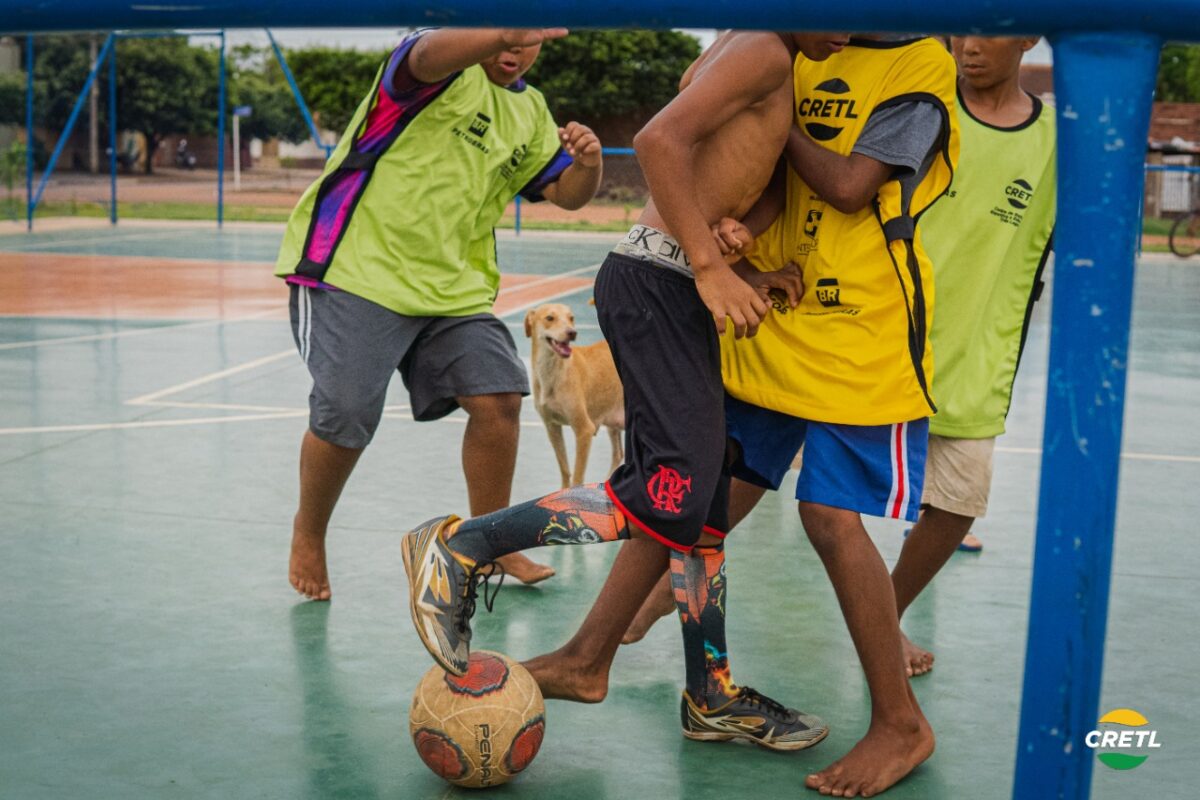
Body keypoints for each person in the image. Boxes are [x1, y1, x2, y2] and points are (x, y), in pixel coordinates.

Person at [536, 35, 960, 796]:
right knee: (699, 494)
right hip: (770, 309)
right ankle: (589, 655)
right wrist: (732, 232)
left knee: (830, 517)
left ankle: (900, 722)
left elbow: (851, 186)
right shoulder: (784, 45)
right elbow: (723, 134)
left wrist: (771, 107)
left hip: (860, 331)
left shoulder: (915, 63)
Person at [402, 31, 850, 751]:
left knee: (702, 498)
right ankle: (463, 546)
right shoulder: (764, 48)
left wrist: (731, 265)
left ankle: (710, 692)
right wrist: (708, 264)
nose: (851, 28)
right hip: (657, 284)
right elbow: (657, 140)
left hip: (676, 285)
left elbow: (724, 170)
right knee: (672, 483)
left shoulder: (768, 58)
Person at [277, 28, 604, 601]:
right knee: (348, 412)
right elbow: (426, 56)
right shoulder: (432, 65)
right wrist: (502, 24)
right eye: (509, 31)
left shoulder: (528, 109)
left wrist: (589, 163)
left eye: (530, 39)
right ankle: (309, 529)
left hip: (455, 289)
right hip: (357, 270)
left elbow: (567, 193)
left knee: (500, 398)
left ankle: (489, 543)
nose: (516, 47)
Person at [892, 34, 1055, 677]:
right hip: (872, 334)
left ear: (1030, 36)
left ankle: (885, 618)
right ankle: (650, 601)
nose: (971, 43)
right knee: (757, 467)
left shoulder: (1055, 143)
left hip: (977, 351)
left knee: (958, 502)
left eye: (992, 26)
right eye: (962, 25)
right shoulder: (924, 108)